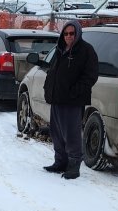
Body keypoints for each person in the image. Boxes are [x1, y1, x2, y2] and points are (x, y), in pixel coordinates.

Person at [42, 20, 98, 179]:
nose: (68, 36)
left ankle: (74, 166)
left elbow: (90, 76)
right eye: (66, 33)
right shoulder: (60, 49)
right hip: (57, 98)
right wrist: (48, 88)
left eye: (72, 33)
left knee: (71, 134)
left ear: (78, 33)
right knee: (57, 133)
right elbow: (52, 71)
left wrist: (75, 92)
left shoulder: (86, 50)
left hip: (73, 101)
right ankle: (60, 162)